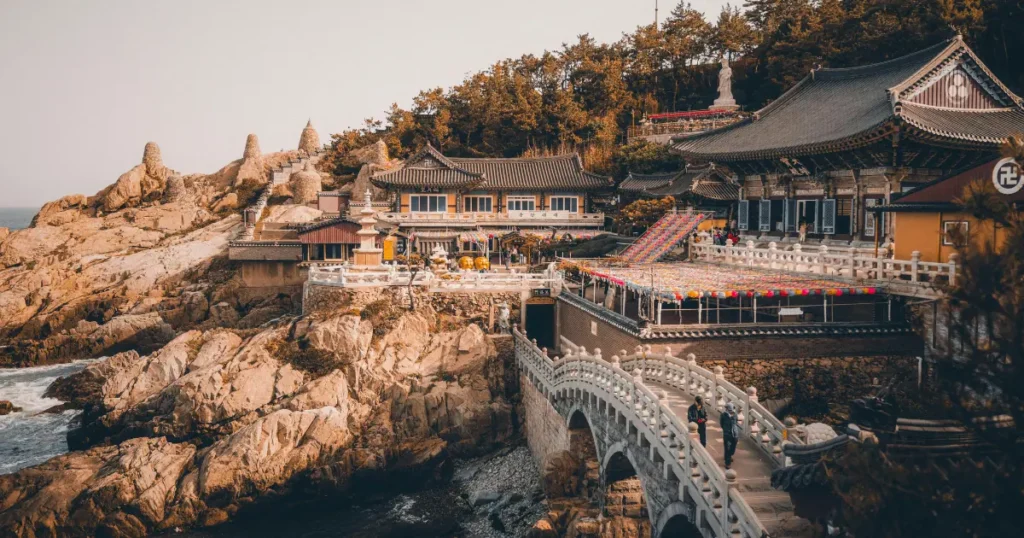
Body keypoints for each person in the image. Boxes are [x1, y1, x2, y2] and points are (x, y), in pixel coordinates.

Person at [721, 402, 740, 469]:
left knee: (733, 448)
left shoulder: (735, 415)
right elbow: (722, 424)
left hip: (735, 434)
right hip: (727, 434)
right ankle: (727, 463)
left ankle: (728, 455)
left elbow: (736, 422)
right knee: (728, 448)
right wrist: (726, 429)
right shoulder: (723, 415)